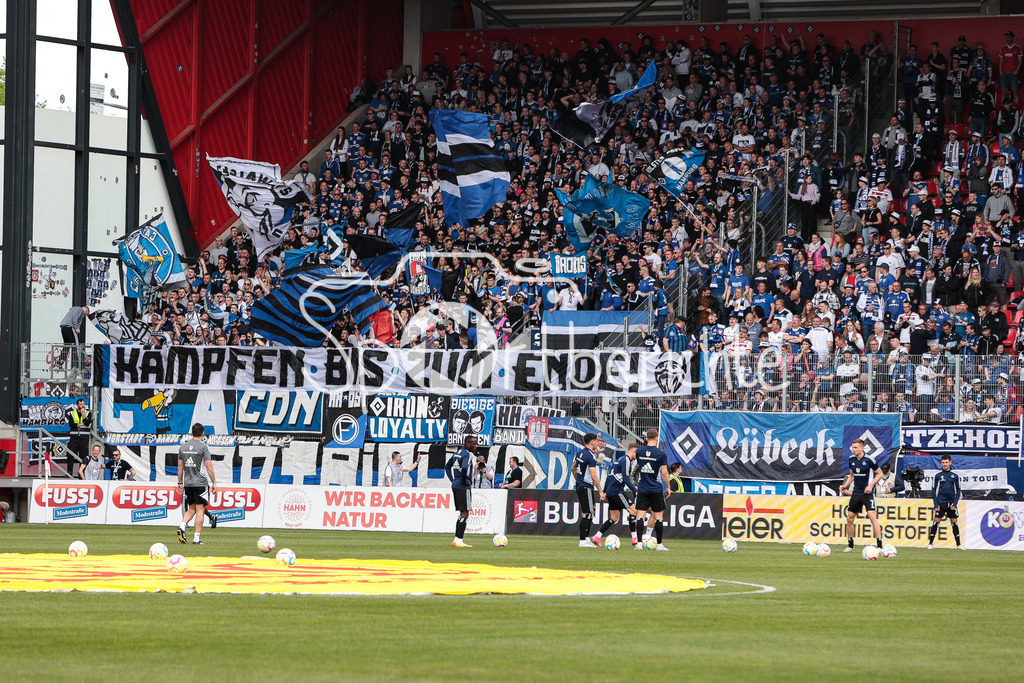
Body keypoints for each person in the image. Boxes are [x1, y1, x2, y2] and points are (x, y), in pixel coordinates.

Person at [838, 438, 884, 552]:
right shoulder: (851, 459)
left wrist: (871, 485)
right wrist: (845, 485)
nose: (853, 450)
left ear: (862, 448)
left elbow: (880, 474)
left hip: (867, 494)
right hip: (856, 493)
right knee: (849, 518)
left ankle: (879, 546)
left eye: (856, 447)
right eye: (852, 447)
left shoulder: (869, 460)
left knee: (873, 517)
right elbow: (852, 475)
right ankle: (850, 545)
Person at [176, 423, 217, 545]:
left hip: (188, 483)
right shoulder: (203, 447)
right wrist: (214, 482)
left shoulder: (183, 447)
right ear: (202, 433)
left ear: (192, 432)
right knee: (200, 510)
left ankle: (182, 526)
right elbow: (209, 466)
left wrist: (180, 482)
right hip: (200, 483)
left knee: (191, 508)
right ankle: (196, 539)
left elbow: (180, 466)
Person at [591, 443, 639, 547]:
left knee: (614, 518)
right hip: (617, 491)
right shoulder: (626, 460)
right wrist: (634, 489)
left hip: (610, 492)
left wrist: (604, 492)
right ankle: (635, 538)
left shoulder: (618, 460)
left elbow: (610, 476)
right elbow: (626, 478)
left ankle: (597, 536)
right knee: (634, 511)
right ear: (634, 451)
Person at [634, 428, 672, 551]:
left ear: (646, 438)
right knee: (659, 517)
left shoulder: (639, 451)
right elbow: (664, 472)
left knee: (640, 516)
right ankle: (660, 544)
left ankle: (639, 543)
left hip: (643, 488)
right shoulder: (661, 454)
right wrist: (668, 487)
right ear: (657, 438)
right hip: (656, 488)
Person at [571, 433, 606, 548]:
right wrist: (600, 490)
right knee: (588, 513)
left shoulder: (580, 453)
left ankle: (585, 539)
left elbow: (573, 467)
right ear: (592, 442)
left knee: (588, 513)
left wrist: (578, 480)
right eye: (596, 441)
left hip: (580, 485)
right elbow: (593, 475)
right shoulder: (590, 456)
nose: (597, 443)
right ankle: (583, 540)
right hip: (586, 486)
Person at [928, 454, 964, 549]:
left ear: (950, 463)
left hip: (951, 503)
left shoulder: (955, 476)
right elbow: (933, 490)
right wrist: (936, 504)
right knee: (936, 521)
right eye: (943, 462)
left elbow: (958, 490)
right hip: (941, 502)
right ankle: (930, 544)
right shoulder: (938, 476)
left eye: (946, 462)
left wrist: (955, 503)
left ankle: (958, 545)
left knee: (954, 522)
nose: (944, 464)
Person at [445, 435, 475, 547]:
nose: (475, 446)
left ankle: (456, 539)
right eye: (474, 443)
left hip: (456, 485)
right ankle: (460, 540)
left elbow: (447, 467)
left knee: (462, 512)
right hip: (463, 486)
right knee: (465, 512)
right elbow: (465, 468)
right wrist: (465, 480)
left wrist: (453, 480)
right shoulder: (467, 454)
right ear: (467, 443)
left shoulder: (457, 453)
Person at [64, 398, 91, 477]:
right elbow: (71, 424)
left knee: (83, 456)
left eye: (83, 404)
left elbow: (87, 423)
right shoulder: (72, 413)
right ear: (77, 405)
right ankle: (69, 472)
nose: (82, 406)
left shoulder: (87, 413)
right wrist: (78, 424)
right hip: (74, 437)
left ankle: (81, 473)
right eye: (81, 404)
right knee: (70, 454)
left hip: (84, 437)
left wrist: (83, 415)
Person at [58, 305, 89, 369]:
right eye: (86, 314)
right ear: (85, 310)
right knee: (76, 345)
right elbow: (75, 318)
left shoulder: (72, 310)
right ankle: (78, 365)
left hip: (63, 327)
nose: (85, 315)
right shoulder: (80, 310)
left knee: (67, 345)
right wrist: (77, 328)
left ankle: (60, 362)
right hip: (70, 328)